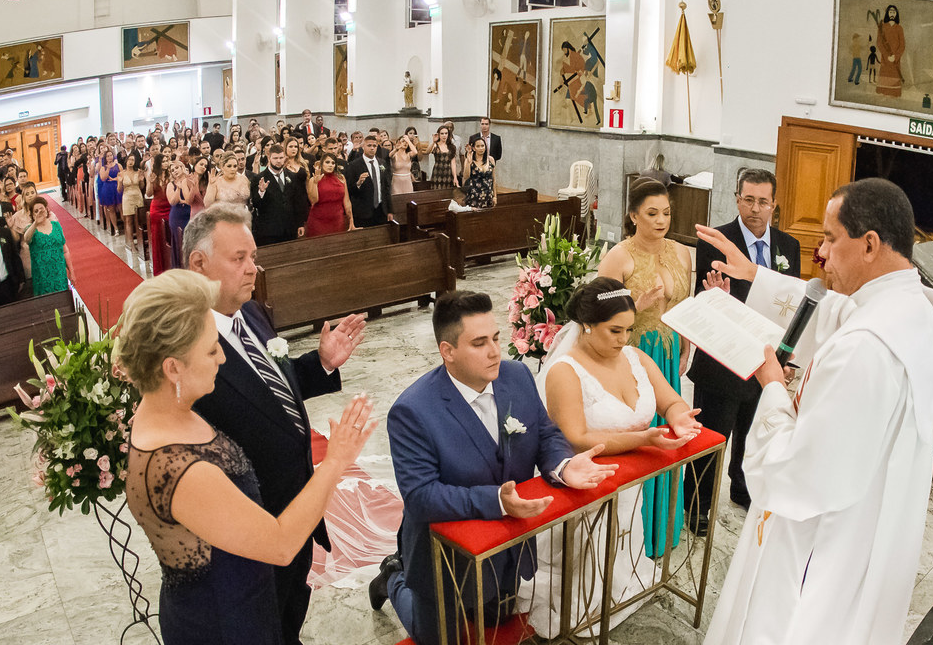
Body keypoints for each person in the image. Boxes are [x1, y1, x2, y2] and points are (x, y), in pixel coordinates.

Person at [699, 178, 933, 645]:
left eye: (830, 238)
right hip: (872, 529)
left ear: (869, 244)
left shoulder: (867, 348)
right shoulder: (913, 308)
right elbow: (836, 312)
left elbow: (793, 473)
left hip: (820, 546)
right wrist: (756, 276)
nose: (821, 253)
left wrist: (772, 388)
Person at [117, 269, 374, 645]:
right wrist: (335, 461)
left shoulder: (166, 408)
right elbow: (281, 544)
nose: (223, 357)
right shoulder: (178, 467)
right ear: (172, 368)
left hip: (241, 596)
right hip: (225, 623)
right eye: (210, 348)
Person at [374, 290, 617, 645]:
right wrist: (498, 502)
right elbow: (421, 497)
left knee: (496, 616)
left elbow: (545, 433)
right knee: (437, 637)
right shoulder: (413, 412)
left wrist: (563, 466)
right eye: (479, 343)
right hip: (445, 559)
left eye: (497, 338)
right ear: (448, 351)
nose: (494, 351)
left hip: (507, 549)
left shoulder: (516, 376)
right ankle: (393, 576)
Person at [182, 204, 366, 645]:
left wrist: (319, 364)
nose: (253, 268)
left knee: (288, 614)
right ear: (198, 263)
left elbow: (268, 392)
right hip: (251, 529)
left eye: (254, 256)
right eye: (239, 258)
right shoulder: (184, 348)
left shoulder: (250, 313)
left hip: (297, 505)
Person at [522, 277, 701, 636]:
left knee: (623, 539)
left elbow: (669, 399)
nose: (624, 340)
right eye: (614, 331)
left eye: (629, 330)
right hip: (584, 486)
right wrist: (641, 439)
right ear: (586, 326)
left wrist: (680, 415)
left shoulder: (635, 357)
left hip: (627, 480)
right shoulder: (565, 371)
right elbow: (575, 438)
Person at [683, 169, 800, 536]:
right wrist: (716, 296)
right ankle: (697, 506)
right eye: (748, 199)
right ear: (737, 199)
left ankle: (742, 488)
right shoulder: (717, 241)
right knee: (710, 439)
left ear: (774, 205)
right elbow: (709, 300)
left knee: (751, 434)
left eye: (763, 201)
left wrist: (788, 360)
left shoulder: (789, 247)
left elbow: (793, 310)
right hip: (723, 359)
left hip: (764, 363)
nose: (755, 208)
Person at [597, 177, 692, 557]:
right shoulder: (620, 255)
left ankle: (663, 529)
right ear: (633, 215)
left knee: (670, 431)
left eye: (666, 213)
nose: (660, 220)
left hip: (669, 351)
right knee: (642, 435)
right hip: (634, 353)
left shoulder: (682, 253)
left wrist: (688, 341)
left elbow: (684, 303)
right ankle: (634, 536)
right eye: (651, 213)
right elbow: (598, 315)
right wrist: (634, 302)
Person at [250, 144, 305, 246]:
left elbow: (298, 202)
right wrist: (261, 192)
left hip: (290, 229)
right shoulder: (258, 178)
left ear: (285, 158)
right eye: (275, 158)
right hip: (269, 231)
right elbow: (256, 204)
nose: (278, 161)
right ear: (269, 157)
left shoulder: (292, 176)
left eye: (281, 158)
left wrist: (300, 224)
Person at [24, 197, 74, 296]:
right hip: (42, 276)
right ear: (32, 215)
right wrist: (35, 223)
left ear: (47, 209)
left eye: (41, 209)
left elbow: (65, 251)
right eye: (36, 211)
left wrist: (71, 272)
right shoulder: (31, 229)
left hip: (59, 273)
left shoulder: (56, 225)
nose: (39, 213)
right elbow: (26, 239)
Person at [344, 136, 393, 228]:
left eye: (374, 146)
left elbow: (386, 188)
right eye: (369, 145)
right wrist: (358, 183)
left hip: (381, 210)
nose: (372, 148)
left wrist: (389, 210)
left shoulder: (382, 163)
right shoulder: (354, 165)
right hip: (363, 212)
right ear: (363, 147)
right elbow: (349, 189)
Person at [304, 154, 353, 236]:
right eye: (327, 162)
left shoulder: (341, 178)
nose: (330, 165)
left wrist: (351, 221)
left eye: (333, 163)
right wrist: (316, 182)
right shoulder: (313, 179)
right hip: (318, 222)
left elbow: (347, 201)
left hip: (337, 221)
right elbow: (313, 200)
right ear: (322, 164)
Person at [166, 159, 196, 268]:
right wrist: (178, 189)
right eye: (172, 170)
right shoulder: (171, 185)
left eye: (177, 168)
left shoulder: (190, 180)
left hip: (190, 214)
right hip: (177, 216)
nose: (175, 171)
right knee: (179, 244)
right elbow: (172, 202)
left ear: (182, 167)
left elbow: (192, 199)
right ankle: (180, 267)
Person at [147, 154, 172, 275]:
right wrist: (150, 182)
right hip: (157, 208)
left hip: (169, 206)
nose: (166, 163)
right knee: (158, 237)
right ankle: (159, 268)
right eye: (163, 161)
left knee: (169, 236)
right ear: (158, 163)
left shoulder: (171, 174)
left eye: (167, 160)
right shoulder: (153, 175)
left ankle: (170, 264)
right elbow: (148, 193)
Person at [875, 3, 905, 98]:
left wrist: (895, 56)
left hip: (895, 59)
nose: (892, 13)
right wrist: (886, 55)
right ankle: (884, 93)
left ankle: (893, 94)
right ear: (887, 13)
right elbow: (879, 42)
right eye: (890, 11)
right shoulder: (882, 27)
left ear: (896, 14)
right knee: (885, 74)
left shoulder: (899, 28)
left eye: (894, 12)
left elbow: (902, 45)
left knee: (894, 75)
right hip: (885, 58)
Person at [460, 137, 497, 209]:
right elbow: (466, 176)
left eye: (482, 146)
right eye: (478, 146)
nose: (481, 148)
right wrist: (468, 162)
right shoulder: (469, 160)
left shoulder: (490, 159)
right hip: (474, 196)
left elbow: (494, 179)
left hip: (488, 195)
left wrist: (495, 196)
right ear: (473, 148)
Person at [120, 153, 146, 252]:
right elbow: (119, 190)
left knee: (138, 220)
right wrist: (119, 182)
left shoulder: (138, 172)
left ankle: (140, 242)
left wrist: (142, 180)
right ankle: (131, 243)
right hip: (127, 197)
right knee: (128, 220)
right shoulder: (122, 173)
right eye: (130, 159)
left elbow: (142, 187)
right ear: (126, 161)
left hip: (137, 196)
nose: (131, 162)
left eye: (133, 160)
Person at [388, 135, 417, 213]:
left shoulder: (409, 154)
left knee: (409, 202)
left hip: (407, 182)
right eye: (403, 141)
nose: (405, 143)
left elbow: (415, 152)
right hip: (397, 182)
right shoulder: (394, 154)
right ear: (398, 142)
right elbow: (389, 155)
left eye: (406, 142)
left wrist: (408, 140)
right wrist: (396, 148)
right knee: (397, 203)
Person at [427, 125, 460, 190]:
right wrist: (433, 142)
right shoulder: (436, 145)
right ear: (439, 134)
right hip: (437, 173)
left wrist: (455, 177)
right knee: (436, 193)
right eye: (442, 133)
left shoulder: (452, 147)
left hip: (448, 173)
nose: (444, 135)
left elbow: (453, 163)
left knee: (447, 194)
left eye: (446, 133)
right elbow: (427, 152)